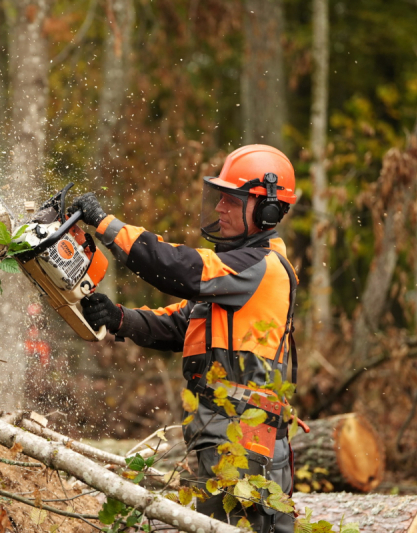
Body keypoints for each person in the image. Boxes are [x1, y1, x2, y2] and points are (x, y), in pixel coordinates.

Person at [69, 145, 299, 533]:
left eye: (232, 200)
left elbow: (180, 268)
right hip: (219, 427)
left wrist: (107, 226)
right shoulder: (237, 274)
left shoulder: (262, 267)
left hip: (243, 433)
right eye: (220, 198)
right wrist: (120, 318)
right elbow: (181, 324)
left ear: (267, 210)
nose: (221, 208)